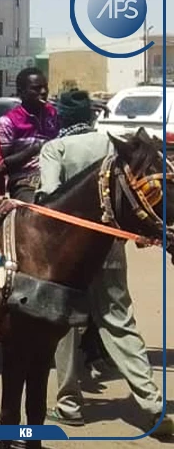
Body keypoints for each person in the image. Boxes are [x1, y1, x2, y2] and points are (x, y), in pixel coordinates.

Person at [39, 90, 174, 437]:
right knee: (120, 322)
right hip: (110, 246)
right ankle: (152, 404)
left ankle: (69, 405)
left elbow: (49, 199)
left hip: (69, 255)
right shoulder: (113, 145)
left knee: (66, 328)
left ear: (62, 119)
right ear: (91, 115)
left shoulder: (55, 149)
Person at [0, 67, 59, 203]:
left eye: (45, 87)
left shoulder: (52, 113)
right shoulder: (8, 122)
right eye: (36, 89)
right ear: (21, 92)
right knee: (40, 209)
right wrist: (36, 148)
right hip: (25, 181)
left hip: (55, 175)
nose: (43, 92)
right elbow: (5, 164)